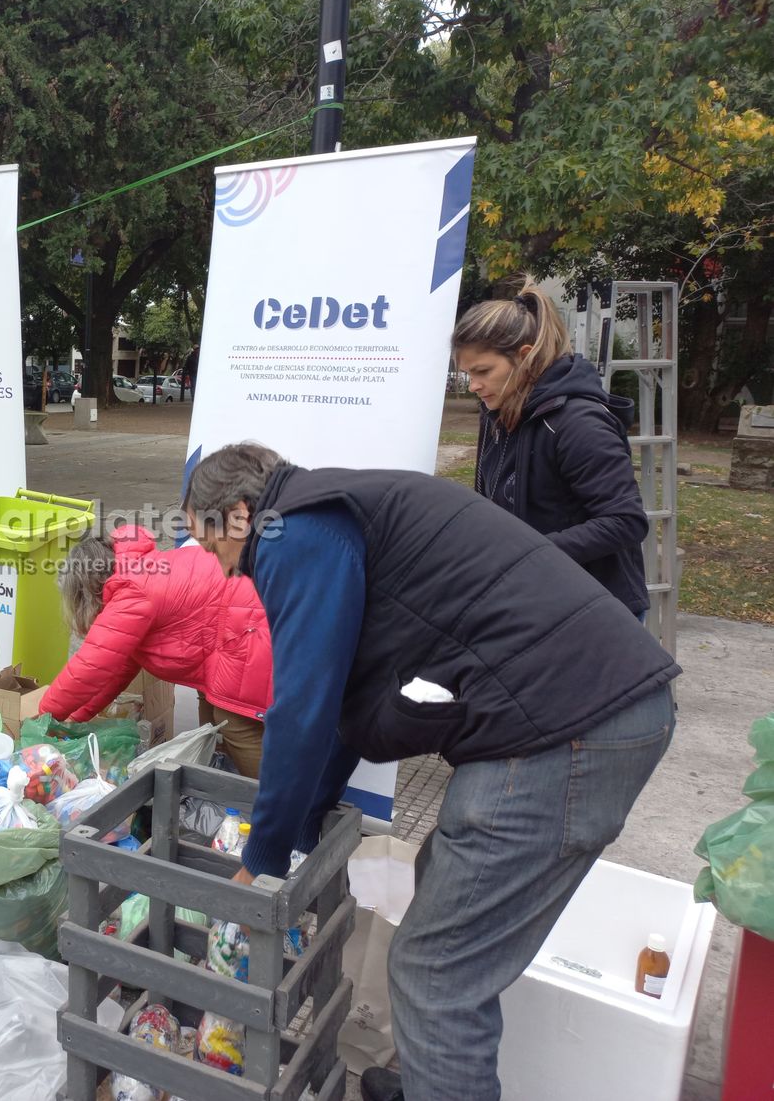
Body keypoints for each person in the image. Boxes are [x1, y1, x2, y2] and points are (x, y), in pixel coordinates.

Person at [182, 442, 679, 1101]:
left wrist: (264, 854)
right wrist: (300, 827)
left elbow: (300, 705)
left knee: (437, 972)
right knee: (440, 896)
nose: (223, 570)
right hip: (578, 714)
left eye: (212, 545)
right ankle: (431, 1081)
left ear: (241, 515)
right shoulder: (331, 510)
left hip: (569, 731)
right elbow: (333, 706)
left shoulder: (296, 531)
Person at [453, 283, 649, 617]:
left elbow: (625, 521)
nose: (474, 386)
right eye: (467, 374)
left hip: (596, 611)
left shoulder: (578, 423)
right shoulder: (497, 412)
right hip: (534, 599)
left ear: (525, 356)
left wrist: (528, 553)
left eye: (483, 371)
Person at [39, 524, 271, 776]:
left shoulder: (130, 592)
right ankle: (221, 790)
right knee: (213, 722)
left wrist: (41, 718)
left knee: (235, 723)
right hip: (245, 624)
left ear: (84, 592)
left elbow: (88, 669)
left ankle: (269, 806)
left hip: (251, 630)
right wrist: (77, 718)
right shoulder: (137, 572)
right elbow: (117, 669)